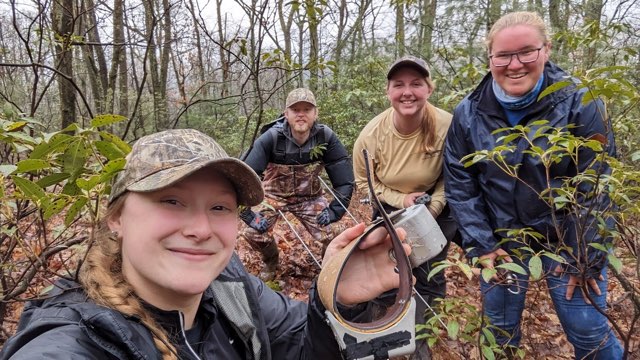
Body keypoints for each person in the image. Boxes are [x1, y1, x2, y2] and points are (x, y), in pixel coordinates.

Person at [0, 129, 410, 360]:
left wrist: (334, 297)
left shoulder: (230, 285)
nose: (200, 229)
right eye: (171, 201)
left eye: (219, 207)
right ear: (117, 217)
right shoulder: (75, 342)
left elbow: (303, 347)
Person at [444, 11, 622, 359]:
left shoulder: (580, 102)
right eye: (503, 56)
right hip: (502, 244)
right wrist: (483, 245)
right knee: (499, 332)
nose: (515, 65)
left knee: (588, 331)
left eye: (527, 52)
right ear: (490, 58)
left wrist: (584, 257)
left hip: (566, 243)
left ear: (546, 50)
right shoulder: (468, 112)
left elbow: (598, 183)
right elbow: (461, 183)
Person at [352, 55, 461, 359]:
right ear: (388, 92)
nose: (407, 92)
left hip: (435, 203)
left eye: (416, 83)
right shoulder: (372, 135)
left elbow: (456, 175)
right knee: (388, 269)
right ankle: (376, 333)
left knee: (430, 275)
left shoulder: (447, 125)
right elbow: (365, 183)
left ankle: (419, 341)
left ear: (429, 88)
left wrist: (434, 207)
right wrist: (402, 202)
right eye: (398, 85)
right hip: (390, 205)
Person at [239, 88, 354, 281]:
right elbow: (244, 178)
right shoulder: (271, 138)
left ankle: (331, 264)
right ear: (286, 114)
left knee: (332, 233)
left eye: (307, 109)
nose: (301, 114)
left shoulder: (325, 137)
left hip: (310, 198)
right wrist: (247, 213)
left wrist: (334, 211)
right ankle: (271, 259)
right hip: (272, 196)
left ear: (315, 113)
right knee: (253, 232)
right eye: (295, 110)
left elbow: (344, 180)